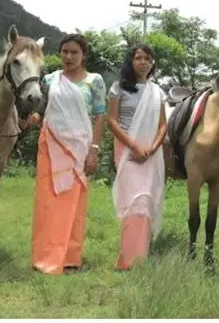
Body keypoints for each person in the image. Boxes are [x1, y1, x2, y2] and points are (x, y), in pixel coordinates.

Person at [31, 34, 106, 274]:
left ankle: (71, 258)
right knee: (49, 203)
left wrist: (94, 150)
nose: (69, 56)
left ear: (84, 55)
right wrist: (29, 118)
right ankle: (46, 257)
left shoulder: (95, 81)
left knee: (75, 204)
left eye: (74, 52)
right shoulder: (51, 79)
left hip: (79, 151)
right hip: (50, 148)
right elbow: (41, 112)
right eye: (65, 52)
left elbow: (100, 116)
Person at [107, 44, 168, 270]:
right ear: (131, 61)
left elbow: (163, 126)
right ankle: (126, 259)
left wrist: (151, 148)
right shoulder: (118, 88)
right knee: (133, 202)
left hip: (151, 152)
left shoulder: (157, 92)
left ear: (153, 63)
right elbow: (112, 121)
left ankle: (139, 258)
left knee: (146, 202)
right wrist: (133, 146)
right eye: (138, 58)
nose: (143, 62)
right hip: (126, 150)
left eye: (147, 58)